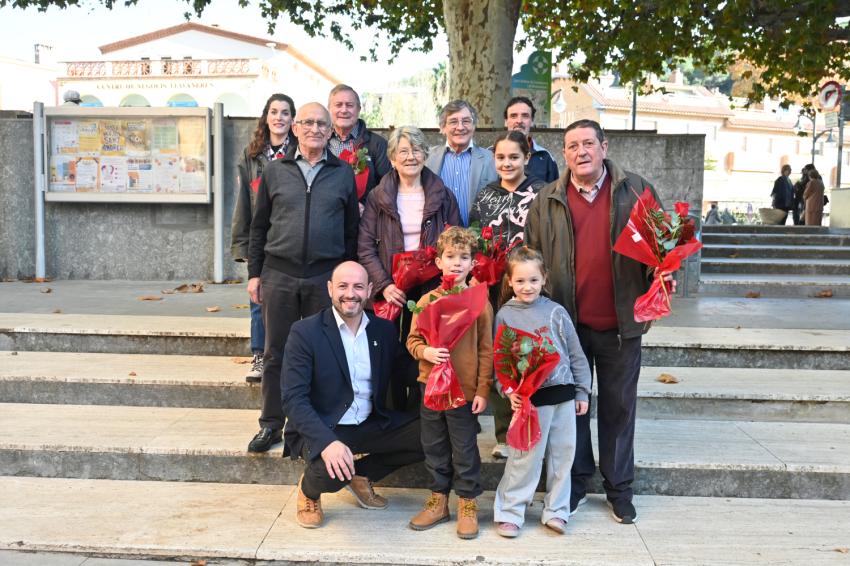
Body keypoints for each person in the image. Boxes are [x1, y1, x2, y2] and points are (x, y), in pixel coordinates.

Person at [525, 119, 675, 525]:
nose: (581, 152)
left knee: (619, 408)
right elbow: (530, 261)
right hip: (565, 328)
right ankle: (574, 484)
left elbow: (665, 244)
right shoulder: (546, 200)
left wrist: (663, 274)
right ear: (565, 153)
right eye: (572, 146)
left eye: (588, 143)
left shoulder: (636, 190)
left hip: (620, 324)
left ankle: (619, 488)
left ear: (604, 147)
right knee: (571, 411)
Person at [246, 102, 360, 454]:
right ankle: (271, 425)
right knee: (276, 352)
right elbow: (259, 225)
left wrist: (347, 281)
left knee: (319, 354)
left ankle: (310, 428)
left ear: (330, 131)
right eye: (307, 122)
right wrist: (254, 274)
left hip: (324, 277)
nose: (314, 128)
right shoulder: (275, 171)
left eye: (321, 123)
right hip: (279, 273)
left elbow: (351, 231)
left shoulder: (343, 174)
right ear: (295, 128)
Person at [281, 262, 425, 529]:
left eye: (358, 286)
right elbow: (293, 398)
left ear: (370, 290)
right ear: (330, 289)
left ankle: (360, 475)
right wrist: (326, 443)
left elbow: (406, 371)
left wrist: (442, 355)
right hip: (327, 426)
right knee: (332, 474)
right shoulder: (305, 332)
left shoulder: (383, 330)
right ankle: (308, 490)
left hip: (372, 422)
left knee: (434, 437)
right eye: (343, 286)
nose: (351, 293)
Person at [358, 126, 462, 412]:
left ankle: (422, 420)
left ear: (425, 155)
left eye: (416, 150)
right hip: (392, 291)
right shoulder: (378, 198)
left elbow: (455, 242)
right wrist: (383, 285)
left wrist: (444, 287)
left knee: (427, 352)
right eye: (403, 151)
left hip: (431, 291)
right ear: (392, 158)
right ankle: (391, 417)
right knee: (390, 354)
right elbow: (365, 247)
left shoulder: (444, 195)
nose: (410, 157)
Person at [492, 247, 592, 538]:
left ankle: (557, 511)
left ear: (544, 279)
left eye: (533, 280)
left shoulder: (556, 311)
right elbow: (502, 362)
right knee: (525, 457)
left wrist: (583, 391)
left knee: (563, 456)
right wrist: (508, 389)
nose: (527, 287)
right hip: (530, 402)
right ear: (509, 281)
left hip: (564, 398)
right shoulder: (505, 316)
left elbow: (576, 354)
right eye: (520, 281)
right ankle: (510, 512)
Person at [407, 227, 493, 539]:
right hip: (430, 385)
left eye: (464, 257)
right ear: (439, 262)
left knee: (464, 447)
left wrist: (483, 388)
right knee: (434, 445)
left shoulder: (479, 301)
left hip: (464, 390)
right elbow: (413, 340)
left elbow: (487, 348)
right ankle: (438, 500)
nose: (456, 262)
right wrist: (426, 351)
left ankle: (468, 503)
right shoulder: (427, 300)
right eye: (450, 256)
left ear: (473, 263)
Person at [468, 129, 547, 459]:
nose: (507, 162)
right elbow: (473, 240)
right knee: (501, 356)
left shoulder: (542, 193)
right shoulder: (485, 195)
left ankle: (532, 427)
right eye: (500, 157)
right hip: (492, 289)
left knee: (531, 357)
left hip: (529, 289)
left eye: (514, 156)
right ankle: (503, 433)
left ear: (527, 158)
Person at [231, 93, 296, 382]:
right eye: (274, 112)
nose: (279, 117)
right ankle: (260, 355)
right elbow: (243, 201)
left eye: (285, 112)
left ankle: (292, 355)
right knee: (258, 300)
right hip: (262, 238)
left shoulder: (300, 150)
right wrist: (242, 243)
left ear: (293, 120)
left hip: (290, 236)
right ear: (266, 117)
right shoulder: (252, 154)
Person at [425, 100, 499, 226]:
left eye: (466, 121)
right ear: (443, 127)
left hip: (478, 240)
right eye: (453, 121)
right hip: (435, 239)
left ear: (474, 125)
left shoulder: (492, 160)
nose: (460, 127)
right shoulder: (426, 158)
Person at [327, 84, 392, 205]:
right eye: (338, 105)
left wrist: (367, 208)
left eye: (350, 105)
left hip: (364, 220)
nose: (344, 110)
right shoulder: (320, 142)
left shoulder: (377, 144)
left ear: (358, 110)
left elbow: (388, 188)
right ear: (329, 109)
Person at [502, 96, 559, 183]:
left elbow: (554, 193)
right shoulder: (490, 154)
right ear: (506, 121)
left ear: (532, 121)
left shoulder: (545, 157)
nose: (519, 121)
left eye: (525, 116)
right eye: (513, 116)